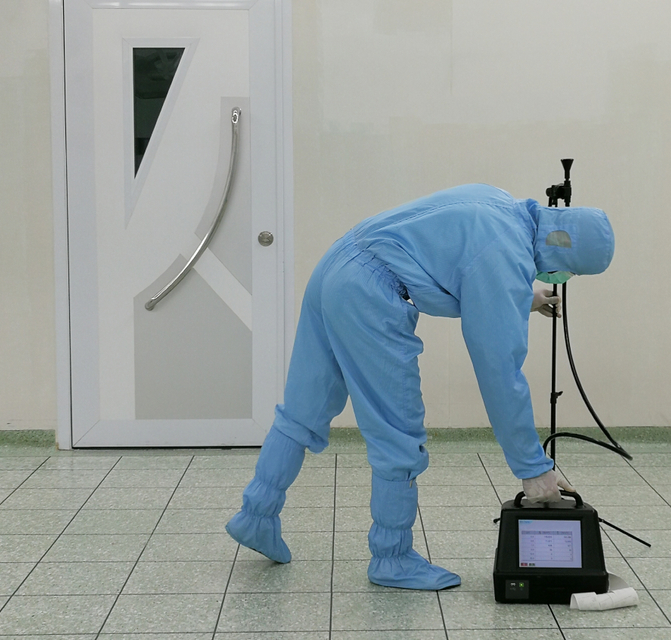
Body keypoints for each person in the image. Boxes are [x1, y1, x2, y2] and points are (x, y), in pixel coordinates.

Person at [226, 184, 614, 590]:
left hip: (335, 267)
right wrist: (533, 469)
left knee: (303, 408)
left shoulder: (504, 207)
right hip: (370, 293)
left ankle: (256, 515)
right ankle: (391, 558)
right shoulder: (505, 257)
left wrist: (523, 293)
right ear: (565, 253)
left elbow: (461, 256)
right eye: (571, 271)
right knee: (397, 428)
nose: (562, 278)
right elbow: (500, 371)